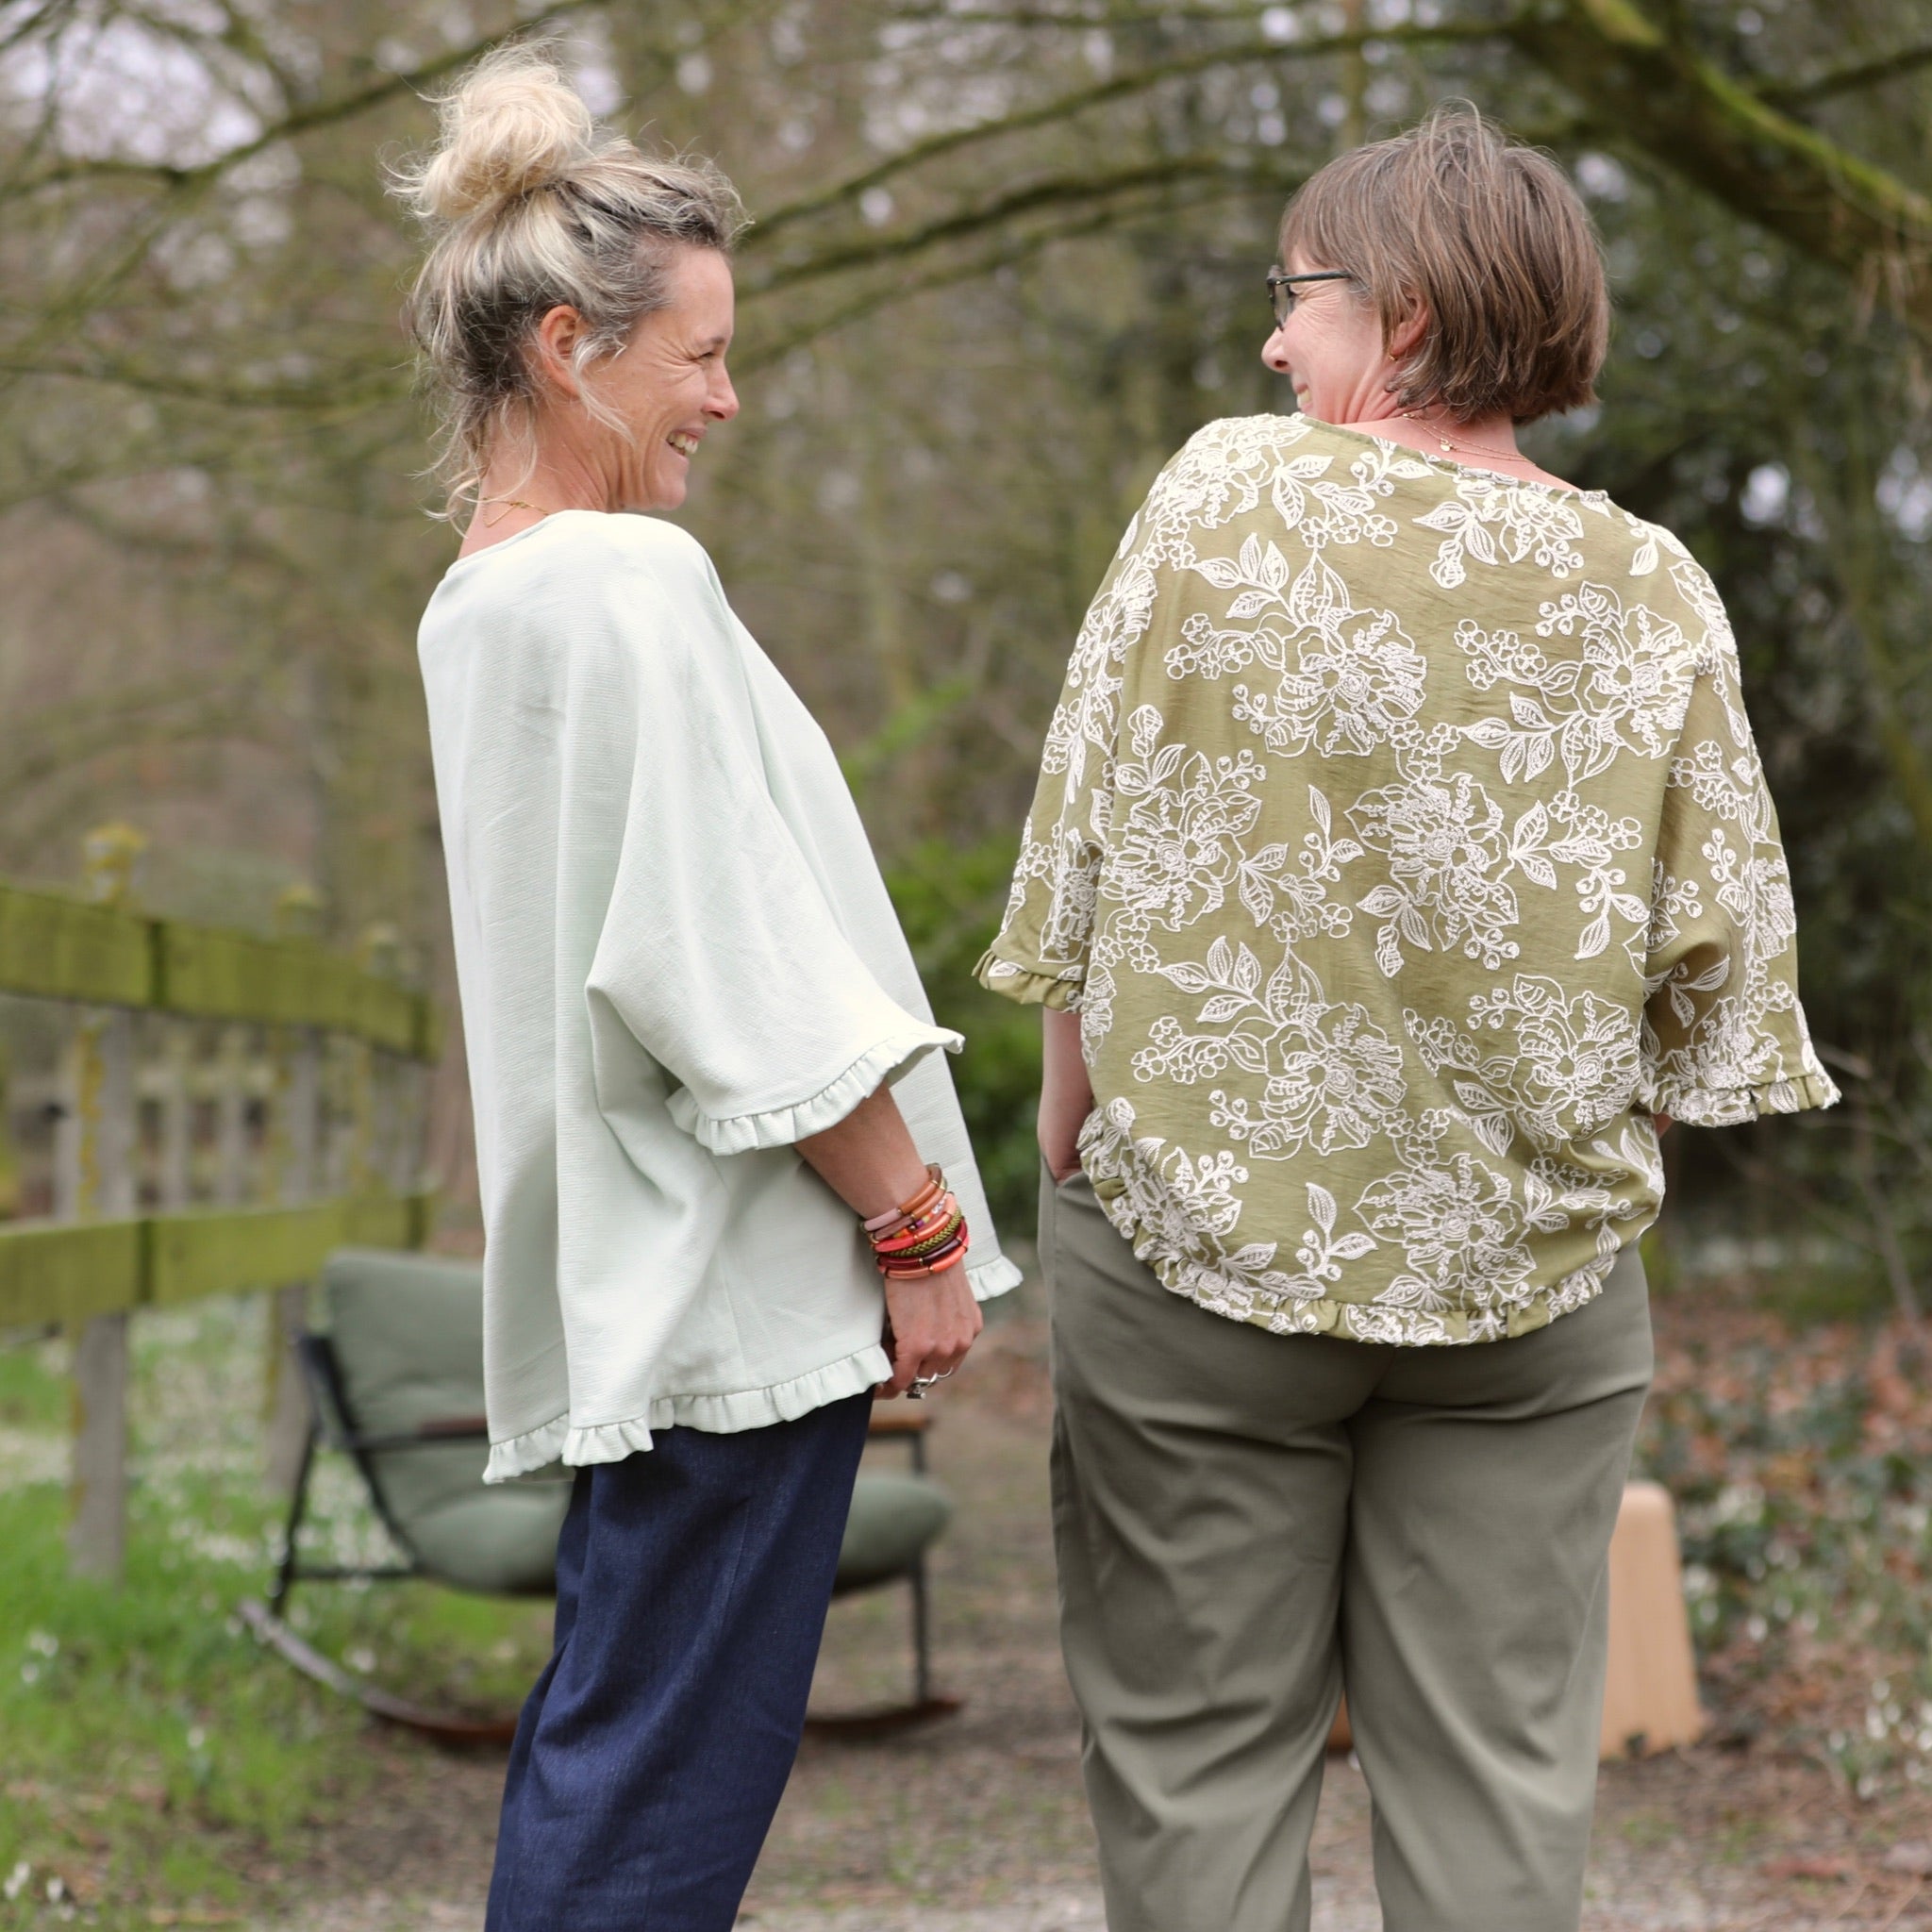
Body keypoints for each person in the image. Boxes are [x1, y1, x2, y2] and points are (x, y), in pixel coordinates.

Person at [976, 105, 1836, 1932]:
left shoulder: (1226, 496)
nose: (1273, 343)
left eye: (1296, 295)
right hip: (1533, 1288)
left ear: (1410, 313)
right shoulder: (1653, 587)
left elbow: (1089, 827)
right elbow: (1713, 979)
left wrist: (1072, 1112)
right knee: (1498, 1780)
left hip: (1197, 1245)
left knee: (1199, 1762)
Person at [402, 43, 1019, 1932]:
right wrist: (915, 1221)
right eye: (702, 356)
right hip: (729, 1285)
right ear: (568, 350)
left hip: (631, 1281)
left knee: (618, 1741)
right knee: (659, 1795)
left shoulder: (484, 600)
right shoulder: (623, 584)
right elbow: (721, 964)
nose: (728, 399)